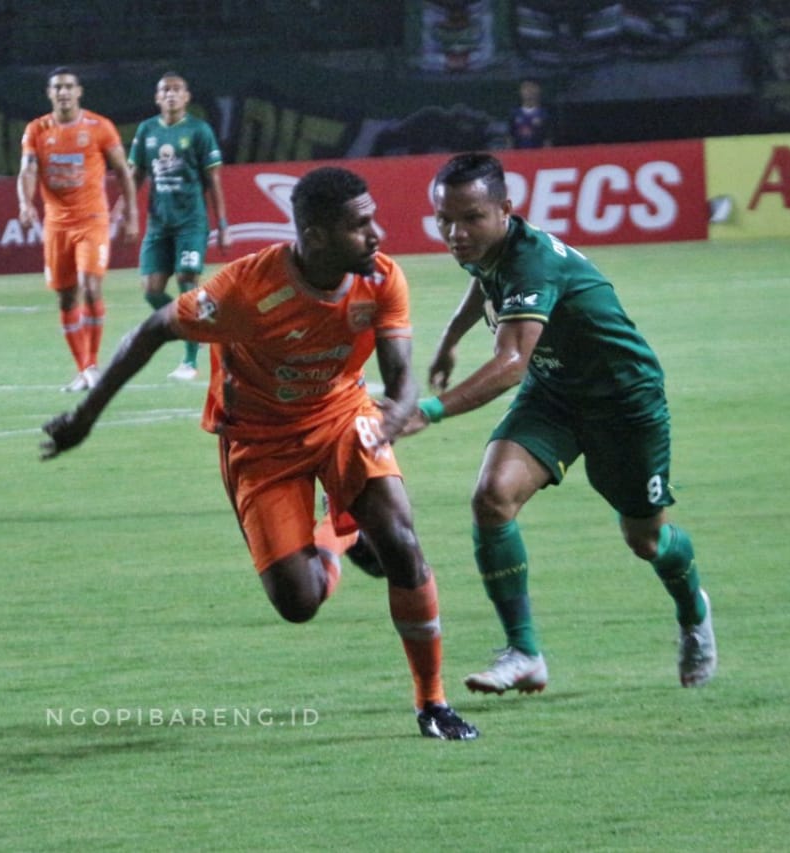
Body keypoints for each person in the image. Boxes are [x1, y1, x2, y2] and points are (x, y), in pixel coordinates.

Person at [42, 167, 479, 740]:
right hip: (259, 440)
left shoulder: (382, 280)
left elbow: (400, 381)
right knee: (298, 603)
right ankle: (339, 534)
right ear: (316, 236)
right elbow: (152, 331)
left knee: (401, 544)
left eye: (373, 220)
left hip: (343, 415)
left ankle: (433, 704)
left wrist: (393, 419)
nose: (377, 235)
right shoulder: (245, 290)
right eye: (360, 226)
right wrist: (84, 419)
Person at [405, 152, 716, 694]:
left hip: (624, 402)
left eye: (470, 219)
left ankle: (694, 613)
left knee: (645, 539)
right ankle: (524, 653)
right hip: (555, 395)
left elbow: (510, 365)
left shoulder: (533, 262)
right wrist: (450, 340)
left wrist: (430, 410)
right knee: (492, 498)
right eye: (444, 220)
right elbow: (483, 280)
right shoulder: (483, 246)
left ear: (505, 209)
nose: (455, 233)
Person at [18, 66, 139, 393]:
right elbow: (27, 171)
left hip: (92, 220)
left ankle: (94, 365)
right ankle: (84, 368)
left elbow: (123, 173)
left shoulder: (100, 127)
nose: (63, 92)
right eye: (57, 87)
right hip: (57, 225)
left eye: (69, 86)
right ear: (49, 93)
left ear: (79, 91)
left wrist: (130, 213)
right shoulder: (37, 130)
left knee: (90, 285)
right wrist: (25, 203)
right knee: (67, 296)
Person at [123, 71, 231, 381]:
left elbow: (213, 180)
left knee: (186, 278)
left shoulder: (199, 131)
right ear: (157, 98)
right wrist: (126, 211)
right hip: (159, 224)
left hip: (191, 222)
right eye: (164, 90)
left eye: (177, 90)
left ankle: (189, 360)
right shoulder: (147, 131)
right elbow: (135, 175)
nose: (170, 94)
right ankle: (200, 319)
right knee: (152, 291)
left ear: (187, 97)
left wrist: (222, 224)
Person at [508, 79, 553, 149]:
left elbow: (548, 139)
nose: (528, 91)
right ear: (520, 91)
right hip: (519, 155)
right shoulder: (514, 114)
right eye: (525, 88)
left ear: (538, 90)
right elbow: (510, 137)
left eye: (531, 87)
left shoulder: (544, 114)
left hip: (538, 155)